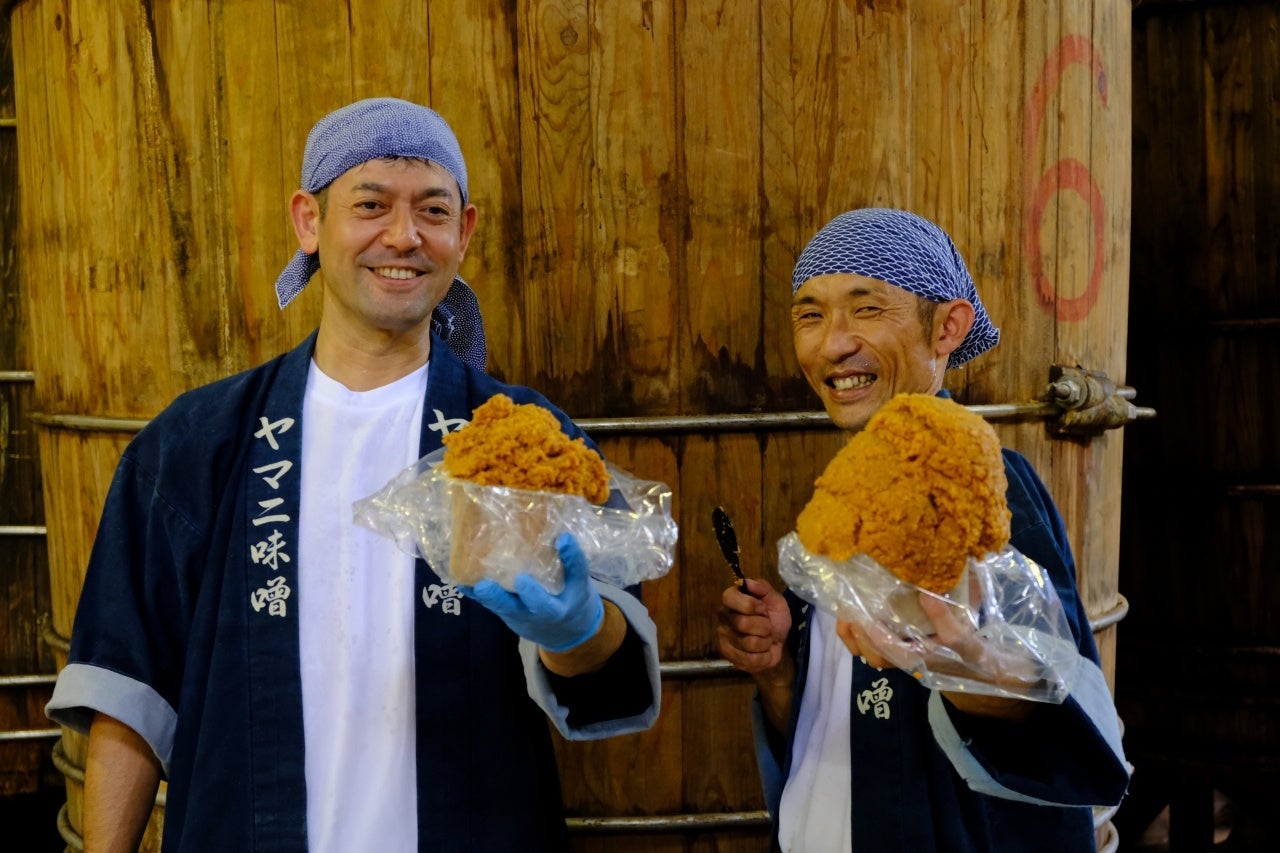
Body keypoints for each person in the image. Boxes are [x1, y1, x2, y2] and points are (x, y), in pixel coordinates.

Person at [45, 97, 661, 852]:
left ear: (464, 232)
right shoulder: (198, 441)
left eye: (433, 210)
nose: (403, 236)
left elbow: (609, 676)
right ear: (309, 221)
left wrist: (574, 629)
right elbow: (128, 693)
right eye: (371, 205)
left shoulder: (523, 443)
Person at [716, 208, 1130, 851]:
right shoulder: (843, 499)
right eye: (810, 315)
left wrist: (972, 667)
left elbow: (1056, 702)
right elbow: (836, 723)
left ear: (947, 327)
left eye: (866, 309)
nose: (832, 344)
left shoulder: (974, 483)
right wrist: (779, 672)